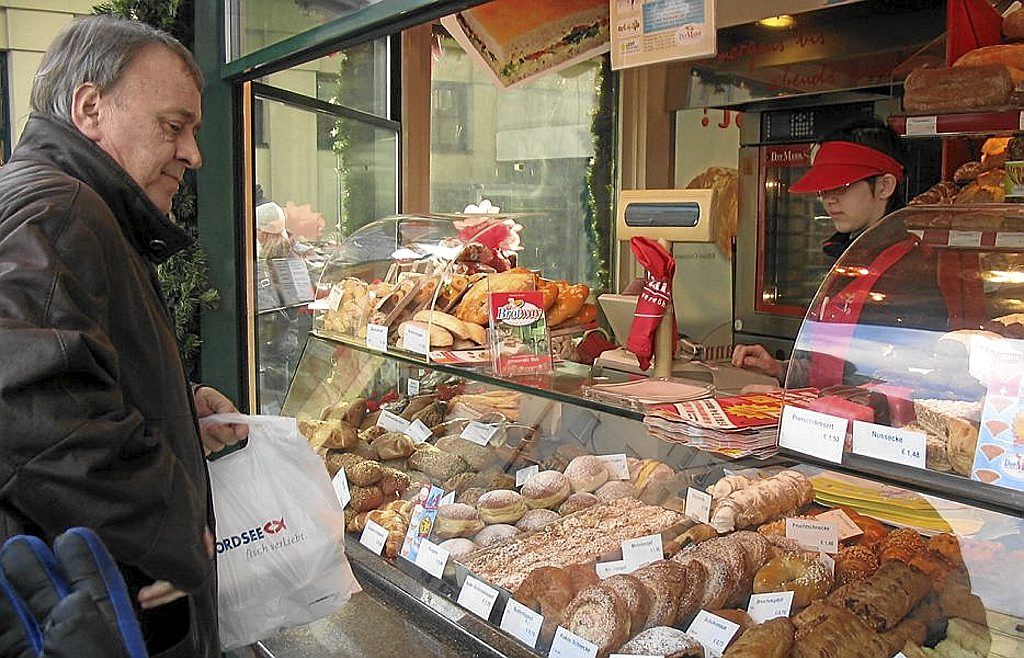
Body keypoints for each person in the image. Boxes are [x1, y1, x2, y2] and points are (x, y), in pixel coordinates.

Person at [0, 16, 246, 657]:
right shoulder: (60, 212)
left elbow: (52, 366)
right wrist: (178, 533)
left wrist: (169, 401)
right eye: (174, 126)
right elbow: (28, 408)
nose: (193, 154)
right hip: (95, 613)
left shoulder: (61, 206)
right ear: (90, 107)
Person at [732, 117, 944, 386]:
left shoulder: (911, 270)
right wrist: (781, 369)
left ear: (884, 186)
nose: (829, 199)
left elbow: (900, 380)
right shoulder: (849, 257)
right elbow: (840, 366)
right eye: (824, 188)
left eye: (842, 186)